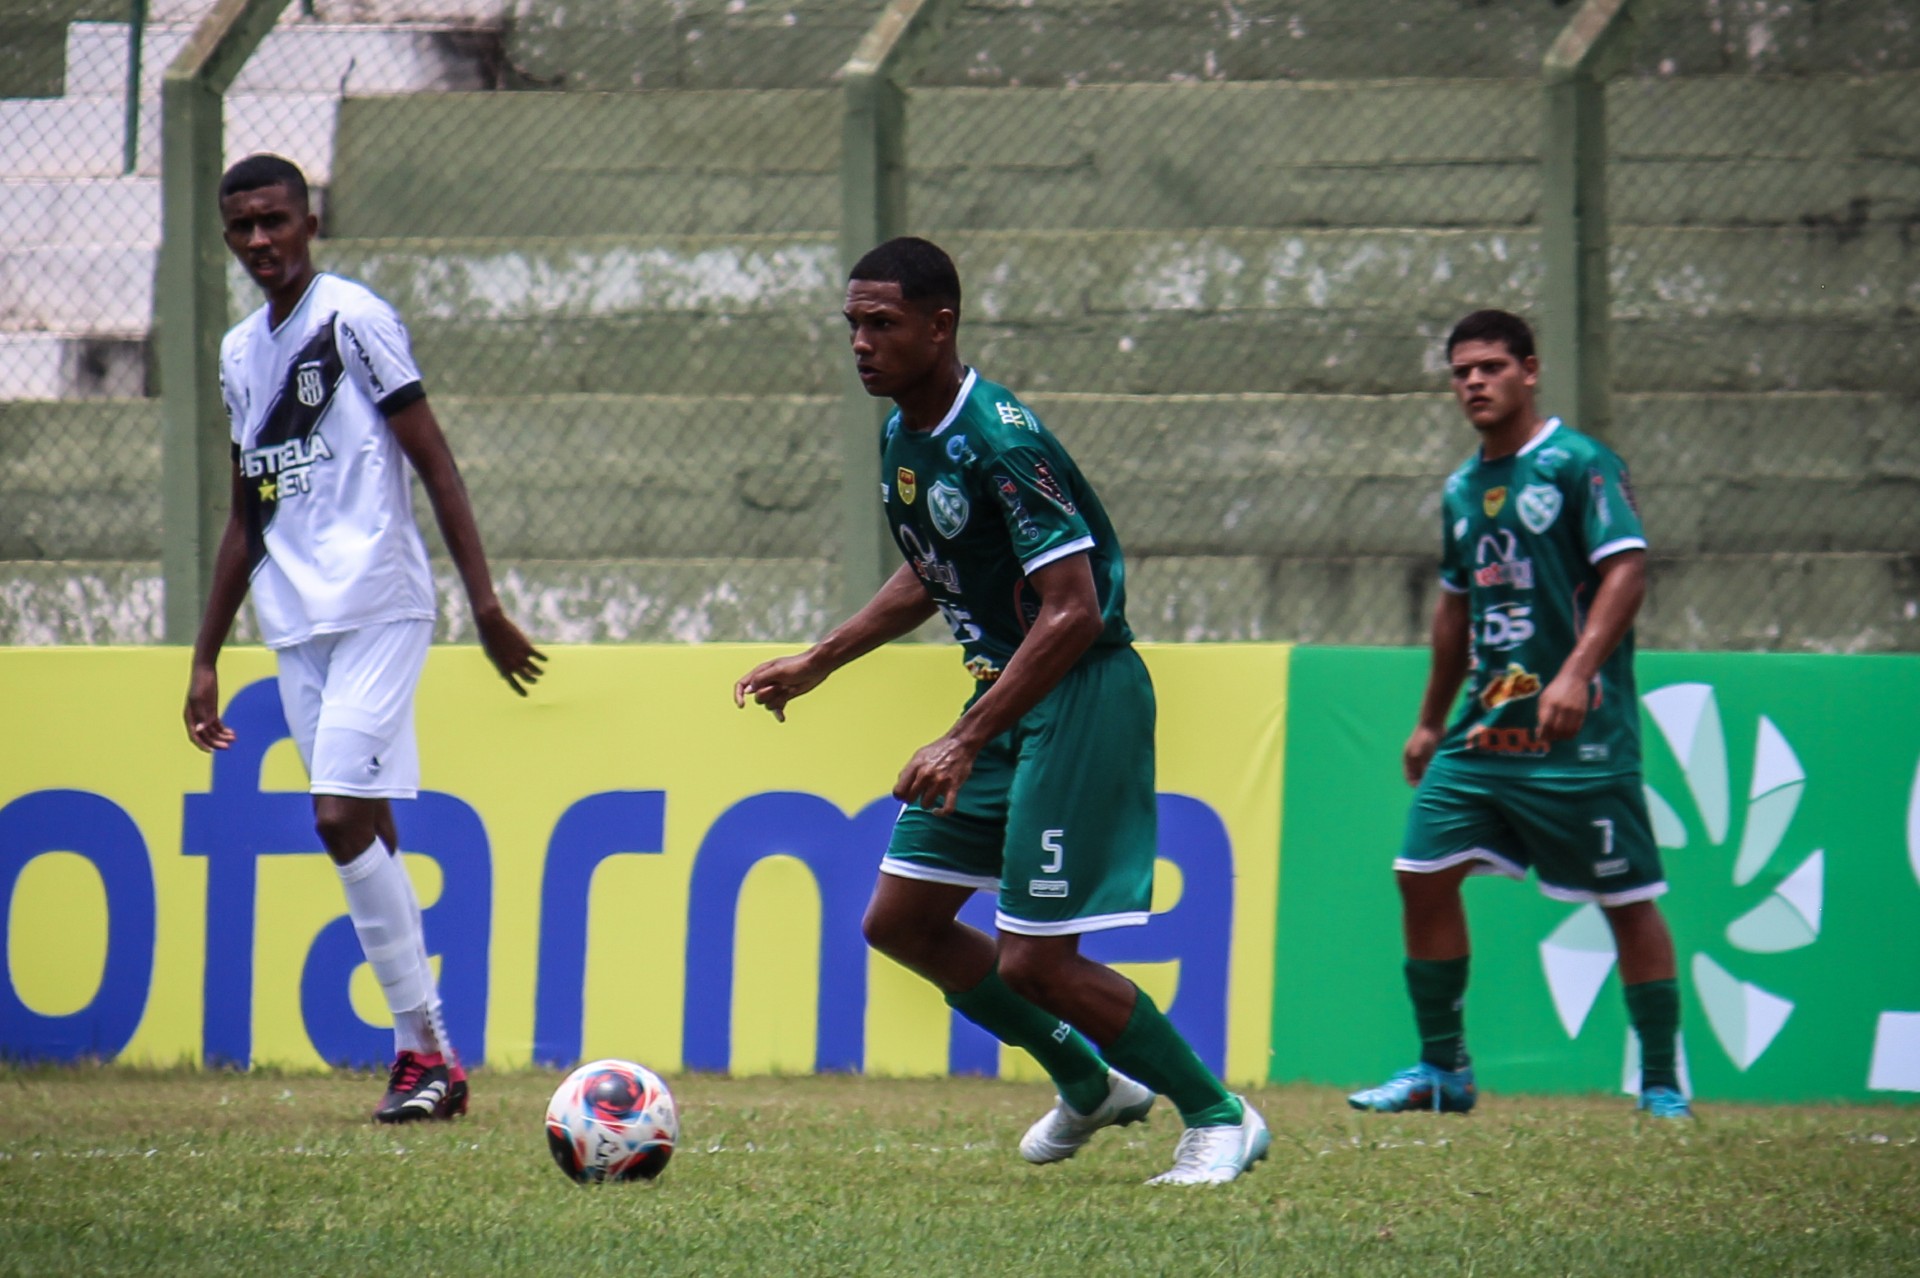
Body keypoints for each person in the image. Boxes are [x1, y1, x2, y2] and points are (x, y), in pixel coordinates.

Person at [734, 237, 1269, 1185]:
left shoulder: (1002, 437)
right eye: (853, 325)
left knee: (1036, 963)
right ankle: (1088, 1081)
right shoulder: (905, 430)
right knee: (900, 921)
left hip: (1078, 695)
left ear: (941, 326)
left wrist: (962, 737)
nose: (861, 343)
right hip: (1005, 696)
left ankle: (1219, 1116)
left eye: (882, 324)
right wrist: (823, 660)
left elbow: (1075, 608)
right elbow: (931, 569)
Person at [182, 154, 545, 1123]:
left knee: (337, 818)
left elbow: (434, 462)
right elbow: (246, 512)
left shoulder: (355, 320)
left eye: (275, 221)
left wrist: (486, 604)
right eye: (242, 229)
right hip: (295, 623)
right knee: (371, 826)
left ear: (310, 221)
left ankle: (429, 1054)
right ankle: (422, 1060)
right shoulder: (236, 354)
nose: (260, 242)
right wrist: (207, 653)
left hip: (381, 603)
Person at [1348, 309, 1688, 1119]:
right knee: (1420, 873)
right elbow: (1455, 610)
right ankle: (1443, 1070)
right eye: (1463, 370)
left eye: (1492, 366)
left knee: (1628, 900)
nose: (1475, 381)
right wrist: (1430, 720)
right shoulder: (1464, 489)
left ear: (1530, 371)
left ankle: (1665, 1084)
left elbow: (1629, 571)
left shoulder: (1580, 464)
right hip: (1486, 726)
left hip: (1580, 734)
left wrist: (1574, 673)